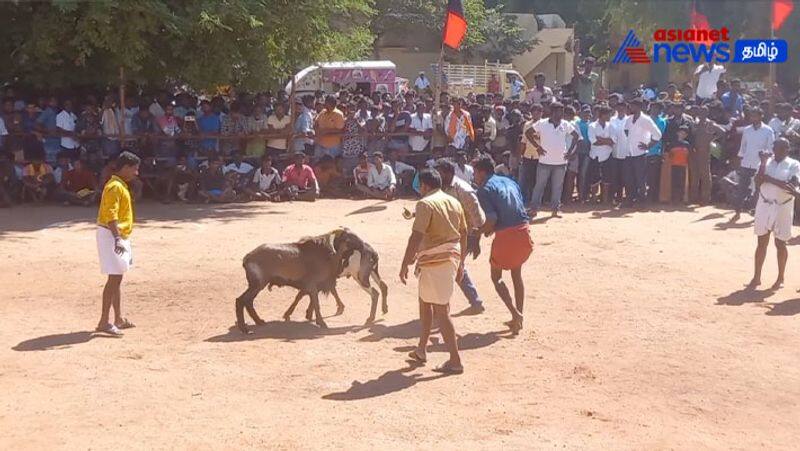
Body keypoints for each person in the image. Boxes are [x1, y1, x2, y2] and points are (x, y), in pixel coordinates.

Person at [399, 168, 465, 374]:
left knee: (441, 311)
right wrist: (461, 263)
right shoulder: (453, 201)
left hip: (435, 260)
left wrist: (405, 263)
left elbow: (416, 236)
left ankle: (455, 360)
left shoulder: (425, 203)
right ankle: (421, 349)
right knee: (425, 302)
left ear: (424, 186)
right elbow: (463, 233)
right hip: (449, 257)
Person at [473, 156, 531, 333]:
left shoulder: (483, 190)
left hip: (506, 233)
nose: (474, 176)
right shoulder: (509, 181)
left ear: (482, 172)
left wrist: (478, 236)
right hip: (523, 230)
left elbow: (491, 218)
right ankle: (518, 317)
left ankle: (515, 314)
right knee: (516, 274)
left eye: (475, 172)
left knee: (496, 277)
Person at [95, 151, 140, 336]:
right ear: (126, 168)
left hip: (115, 234)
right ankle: (104, 321)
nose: (136, 173)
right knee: (114, 278)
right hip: (112, 235)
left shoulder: (117, 185)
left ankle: (117, 318)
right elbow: (111, 215)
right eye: (135, 169)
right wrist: (117, 238)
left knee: (117, 277)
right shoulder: (115, 187)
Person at [436, 159, 487, 313]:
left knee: (452, 266)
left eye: (440, 172)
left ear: (448, 173)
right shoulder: (442, 187)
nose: (437, 175)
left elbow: (478, 219)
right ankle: (474, 301)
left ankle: (444, 305)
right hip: (448, 233)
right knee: (452, 266)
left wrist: (475, 240)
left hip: (465, 234)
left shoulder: (464, 190)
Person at [750, 138, 798, 290]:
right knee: (761, 242)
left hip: (783, 206)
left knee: (780, 243)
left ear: (787, 149)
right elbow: (758, 182)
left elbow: (790, 186)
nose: (778, 150)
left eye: (782, 148)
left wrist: (769, 179)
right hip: (764, 204)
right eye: (776, 147)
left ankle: (780, 278)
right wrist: (763, 163)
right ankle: (756, 276)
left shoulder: (794, 165)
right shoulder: (766, 162)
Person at [529, 101, 580, 217]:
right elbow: (528, 132)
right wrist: (537, 147)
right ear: (552, 112)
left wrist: (570, 151)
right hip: (544, 161)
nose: (560, 114)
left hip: (561, 162)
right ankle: (534, 208)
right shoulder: (542, 123)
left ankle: (555, 209)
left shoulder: (565, 124)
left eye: (561, 111)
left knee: (557, 187)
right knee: (539, 186)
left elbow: (576, 136)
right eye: (558, 111)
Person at [732, 108, 775, 222]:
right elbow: (743, 146)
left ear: (761, 116)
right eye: (752, 116)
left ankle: (756, 210)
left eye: (755, 116)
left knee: (758, 189)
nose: (753, 118)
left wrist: (766, 155)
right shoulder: (747, 130)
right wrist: (740, 158)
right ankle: (738, 209)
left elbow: (771, 148)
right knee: (742, 187)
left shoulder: (768, 130)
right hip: (746, 162)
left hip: (760, 164)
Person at [623, 98, 662, 207]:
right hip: (629, 152)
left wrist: (648, 145)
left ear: (639, 107)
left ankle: (642, 201)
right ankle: (631, 199)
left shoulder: (646, 120)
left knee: (641, 178)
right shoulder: (629, 119)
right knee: (629, 178)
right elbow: (626, 131)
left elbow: (657, 134)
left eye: (633, 106)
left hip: (640, 153)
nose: (630, 108)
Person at [690, 105, 726, 204]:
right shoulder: (695, 123)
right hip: (694, 151)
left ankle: (705, 198)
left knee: (705, 175)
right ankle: (693, 197)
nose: (702, 114)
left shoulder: (710, 124)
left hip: (705, 152)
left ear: (707, 113)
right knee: (694, 175)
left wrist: (712, 139)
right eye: (700, 112)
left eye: (704, 112)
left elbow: (722, 132)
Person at [588, 105, 615, 203]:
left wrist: (600, 139)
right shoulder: (592, 126)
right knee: (594, 179)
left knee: (607, 179)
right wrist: (606, 141)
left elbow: (613, 141)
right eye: (608, 114)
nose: (609, 116)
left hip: (607, 155)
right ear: (602, 115)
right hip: (595, 155)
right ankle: (594, 198)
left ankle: (605, 199)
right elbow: (593, 141)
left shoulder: (611, 126)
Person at [314, 95, 345, 159]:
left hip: (333, 146)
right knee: (318, 163)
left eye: (326, 102)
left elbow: (340, 130)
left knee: (332, 165)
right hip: (320, 144)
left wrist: (326, 131)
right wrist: (317, 130)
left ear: (331, 103)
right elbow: (316, 122)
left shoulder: (338, 114)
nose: (324, 104)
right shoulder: (323, 112)